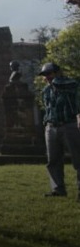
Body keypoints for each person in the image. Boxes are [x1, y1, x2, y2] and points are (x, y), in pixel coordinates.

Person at [37, 63, 80, 201]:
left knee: (78, 159)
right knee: (53, 161)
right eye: (45, 75)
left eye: (49, 74)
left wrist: (55, 80)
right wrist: (46, 123)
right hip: (51, 127)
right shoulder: (46, 91)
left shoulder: (69, 83)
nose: (47, 77)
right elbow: (47, 108)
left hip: (69, 125)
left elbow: (67, 85)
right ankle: (58, 189)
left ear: (57, 73)